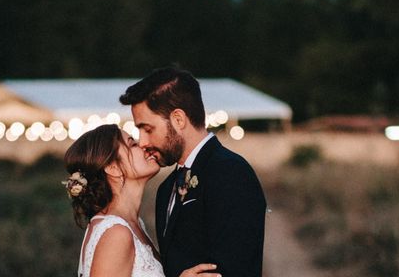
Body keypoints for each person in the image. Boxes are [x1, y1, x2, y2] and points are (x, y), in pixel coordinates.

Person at [119, 67, 266, 277]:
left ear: (178, 119)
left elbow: (236, 267)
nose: (142, 142)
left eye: (148, 129)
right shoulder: (166, 189)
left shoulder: (231, 173)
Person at [64, 124, 220, 277]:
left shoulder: (133, 224)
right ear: (113, 168)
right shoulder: (116, 233)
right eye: (133, 144)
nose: (144, 146)